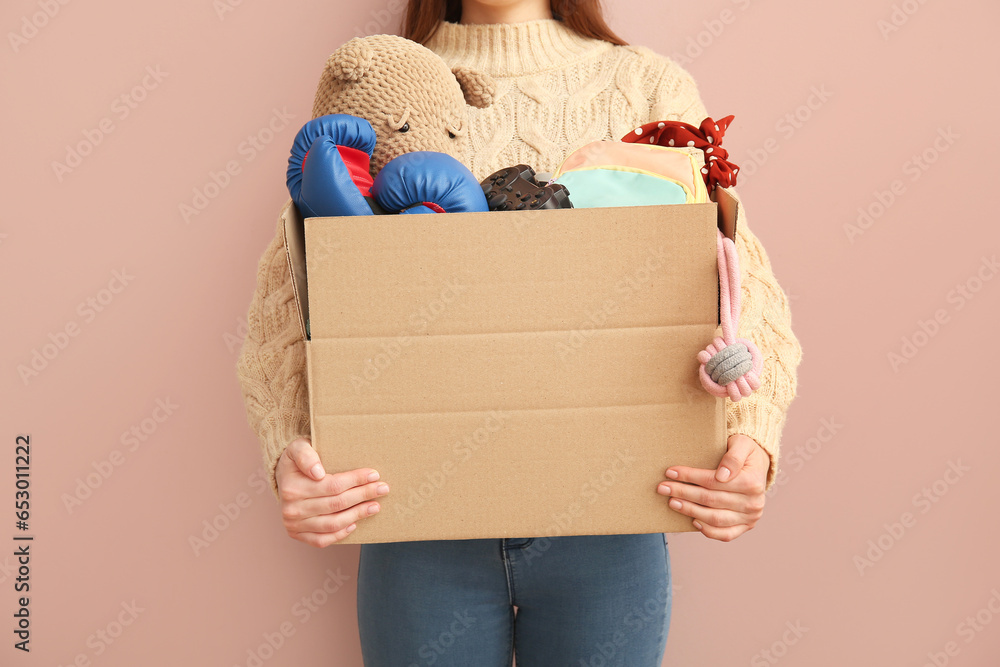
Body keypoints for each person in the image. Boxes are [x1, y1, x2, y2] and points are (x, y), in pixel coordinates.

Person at [235, 0, 803, 663]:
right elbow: (288, 294)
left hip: (611, 517)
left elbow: (740, 279)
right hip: (414, 518)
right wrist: (289, 454)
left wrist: (752, 439)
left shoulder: (646, 83)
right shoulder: (381, 81)